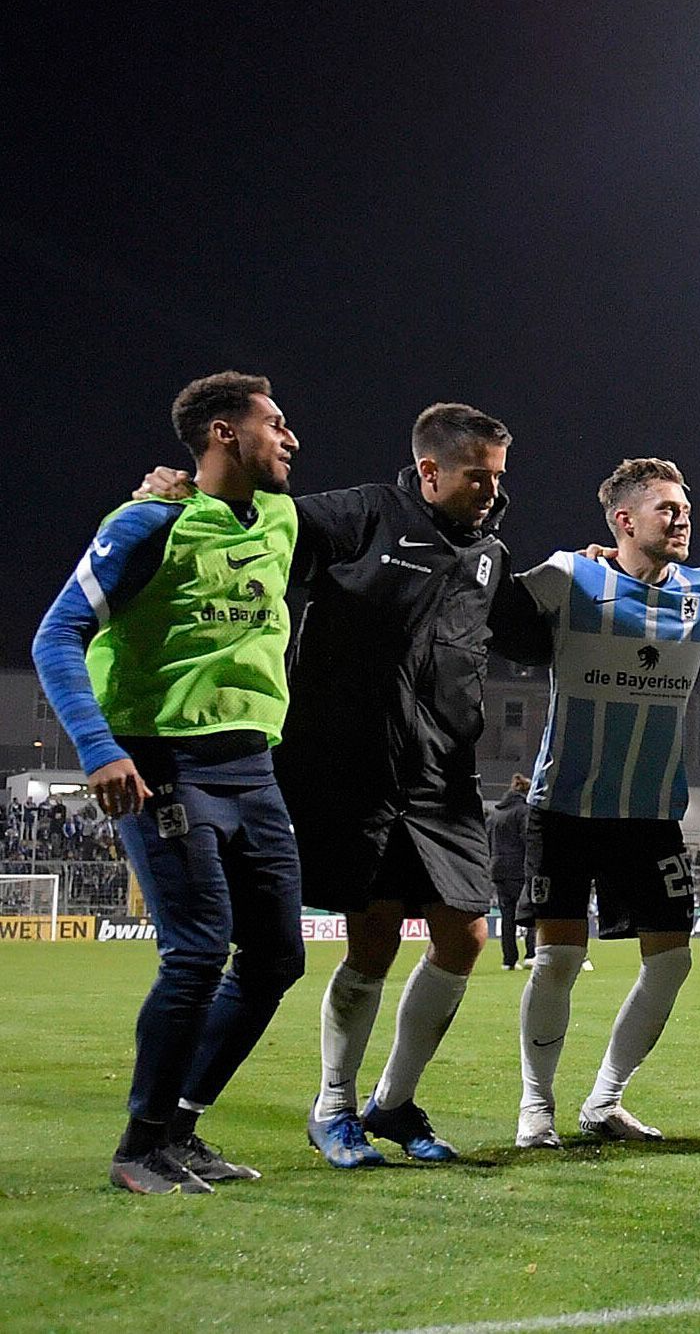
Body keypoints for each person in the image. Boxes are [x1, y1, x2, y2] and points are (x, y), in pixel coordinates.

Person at [190, 401, 528, 1169]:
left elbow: (528, 633)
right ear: (432, 470)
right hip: (357, 773)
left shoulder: (491, 557)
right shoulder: (366, 515)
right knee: (371, 939)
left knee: (466, 936)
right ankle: (333, 1105)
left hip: (444, 779)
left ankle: (393, 1101)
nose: (491, 491)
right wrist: (191, 495)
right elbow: (263, 522)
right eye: (479, 477)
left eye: (498, 478)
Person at [37, 373, 307, 1192]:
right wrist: (97, 748)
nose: (290, 439)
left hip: (253, 771)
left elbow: (400, 514)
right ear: (224, 433)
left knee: (276, 958)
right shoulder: (149, 521)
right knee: (195, 953)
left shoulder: (284, 519)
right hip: (163, 765)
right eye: (276, 423)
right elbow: (58, 635)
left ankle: (181, 1131)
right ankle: (137, 1148)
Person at [498, 459, 700, 1148]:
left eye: (683, 506)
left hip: (650, 813)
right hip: (566, 807)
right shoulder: (569, 575)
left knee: (671, 962)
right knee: (555, 962)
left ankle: (604, 1100)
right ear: (623, 521)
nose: (681, 518)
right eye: (666, 508)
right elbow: (496, 611)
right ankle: (535, 1107)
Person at [486, 775, 532, 970]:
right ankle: (531, 954)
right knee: (530, 910)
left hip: (498, 869)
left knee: (507, 916)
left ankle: (509, 960)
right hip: (518, 868)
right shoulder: (523, 811)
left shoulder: (495, 813)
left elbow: (487, 839)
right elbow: (528, 839)